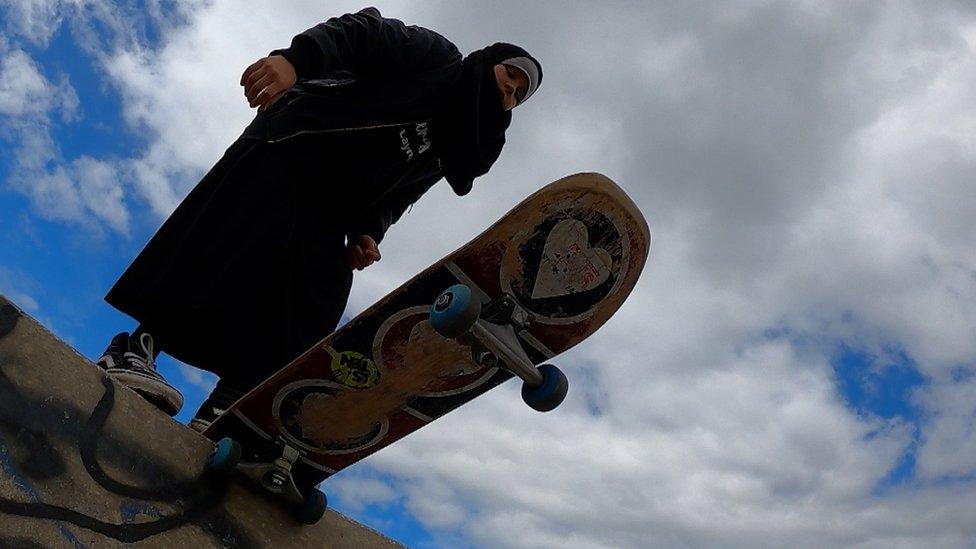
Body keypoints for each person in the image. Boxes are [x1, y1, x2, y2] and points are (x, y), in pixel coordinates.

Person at [94, 7, 542, 431]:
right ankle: (134, 349)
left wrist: (370, 229)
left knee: (319, 294)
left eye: (520, 95)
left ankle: (231, 403)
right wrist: (295, 61)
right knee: (234, 247)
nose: (510, 92)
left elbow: (401, 194)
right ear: (489, 61)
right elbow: (362, 32)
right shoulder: (438, 59)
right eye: (510, 76)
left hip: (333, 202)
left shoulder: (454, 145)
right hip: (297, 141)